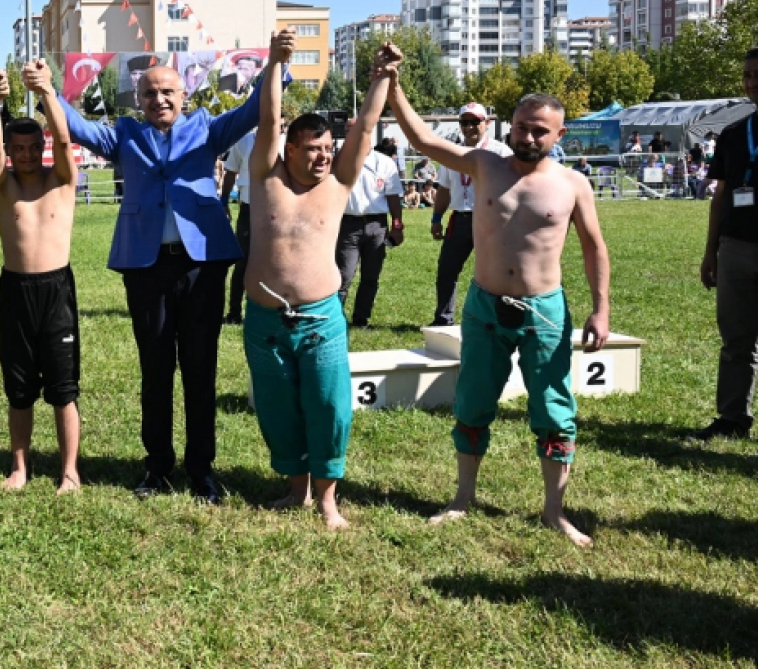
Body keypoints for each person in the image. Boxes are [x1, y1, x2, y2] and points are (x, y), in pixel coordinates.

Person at [385, 48, 610, 548]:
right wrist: (393, 81)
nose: (529, 137)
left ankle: (555, 511)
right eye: (523, 126)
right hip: (485, 306)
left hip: (543, 311)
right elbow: (421, 137)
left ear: (559, 135)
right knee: (472, 402)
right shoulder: (483, 165)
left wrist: (601, 308)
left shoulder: (573, 185)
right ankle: (462, 500)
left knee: (554, 410)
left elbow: (595, 247)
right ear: (510, 124)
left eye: (540, 130)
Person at [59, 57, 278, 503]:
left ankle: (202, 470)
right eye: (150, 93)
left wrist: (278, 63)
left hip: (202, 266)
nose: (159, 99)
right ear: (138, 100)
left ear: (184, 97)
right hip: (145, 267)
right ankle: (156, 466)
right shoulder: (124, 134)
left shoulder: (208, 129)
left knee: (201, 369)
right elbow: (77, 128)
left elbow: (256, 108)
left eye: (167, 93)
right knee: (155, 369)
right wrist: (48, 91)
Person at [244, 31, 394, 529]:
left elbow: (368, 123)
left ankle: (328, 498)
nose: (324, 156)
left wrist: (381, 79)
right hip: (265, 321)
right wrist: (274, 63)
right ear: (289, 149)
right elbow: (267, 118)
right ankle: (296, 490)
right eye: (313, 149)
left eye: (328, 148)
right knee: (278, 409)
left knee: (330, 406)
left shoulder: (337, 184)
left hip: (320, 319)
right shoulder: (267, 178)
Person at [692, 44, 758, 450]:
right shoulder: (736, 133)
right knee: (736, 342)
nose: (753, 83)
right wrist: (711, 251)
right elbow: (722, 194)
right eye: (748, 75)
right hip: (736, 250)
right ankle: (732, 417)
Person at [0, 63, 81, 493]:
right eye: (16, 149)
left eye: (30, 147)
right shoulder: (2, 187)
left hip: (56, 290)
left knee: (63, 387)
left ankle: (69, 471)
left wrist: (45, 92)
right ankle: (20, 467)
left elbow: (63, 137)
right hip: (16, 290)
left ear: (41, 148)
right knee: (19, 387)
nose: (23, 155)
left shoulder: (61, 180)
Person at [428, 103, 512, 326]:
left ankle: (497, 319)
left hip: (491, 219)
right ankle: (443, 319)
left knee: (494, 272)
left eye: (475, 122)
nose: (470, 127)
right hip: (460, 219)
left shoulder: (501, 152)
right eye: (464, 122)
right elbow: (444, 189)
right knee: (447, 270)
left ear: (487, 123)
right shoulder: (452, 153)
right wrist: (437, 219)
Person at [337, 131, 405, 329]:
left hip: (377, 226)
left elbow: (393, 197)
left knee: (371, 276)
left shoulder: (384, 162)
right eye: (349, 132)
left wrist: (397, 226)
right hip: (347, 225)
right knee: (343, 276)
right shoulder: (339, 161)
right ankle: (336, 320)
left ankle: (361, 319)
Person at [218, 129, 258, 326]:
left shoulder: (286, 140)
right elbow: (231, 172)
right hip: (249, 210)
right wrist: (224, 200)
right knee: (243, 262)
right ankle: (234, 311)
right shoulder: (243, 141)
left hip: (278, 210)